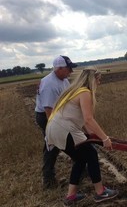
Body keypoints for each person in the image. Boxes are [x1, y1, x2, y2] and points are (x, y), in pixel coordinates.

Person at [45, 66, 118, 206]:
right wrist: (105, 139)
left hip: (54, 129)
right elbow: (88, 119)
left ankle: (71, 196)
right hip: (64, 129)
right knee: (90, 153)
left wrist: (93, 134)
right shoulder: (85, 92)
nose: (99, 83)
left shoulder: (73, 91)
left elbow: (80, 118)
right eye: (99, 80)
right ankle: (100, 192)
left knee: (80, 159)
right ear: (92, 79)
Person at [35, 55, 77, 189]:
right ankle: (48, 180)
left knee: (65, 141)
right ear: (59, 68)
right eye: (68, 68)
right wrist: (56, 129)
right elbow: (49, 111)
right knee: (53, 143)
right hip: (47, 115)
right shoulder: (49, 85)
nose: (71, 71)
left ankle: (81, 165)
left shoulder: (63, 80)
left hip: (59, 112)